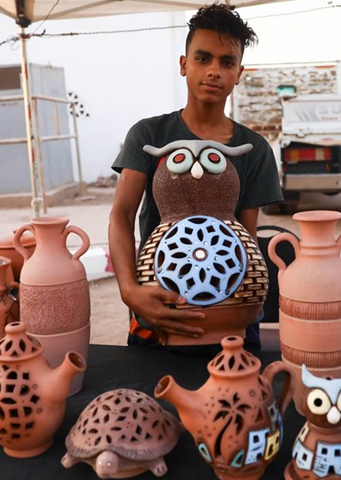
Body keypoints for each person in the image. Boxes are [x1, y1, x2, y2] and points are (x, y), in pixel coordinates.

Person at [108, 3, 283, 349]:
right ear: (184, 65)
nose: (214, 71)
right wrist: (130, 291)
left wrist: (242, 303)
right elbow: (121, 216)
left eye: (227, 62)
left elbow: (246, 237)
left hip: (232, 316)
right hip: (158, 311)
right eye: (203, 58)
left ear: (239, 73)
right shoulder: (149, 135)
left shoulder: (254, 149)